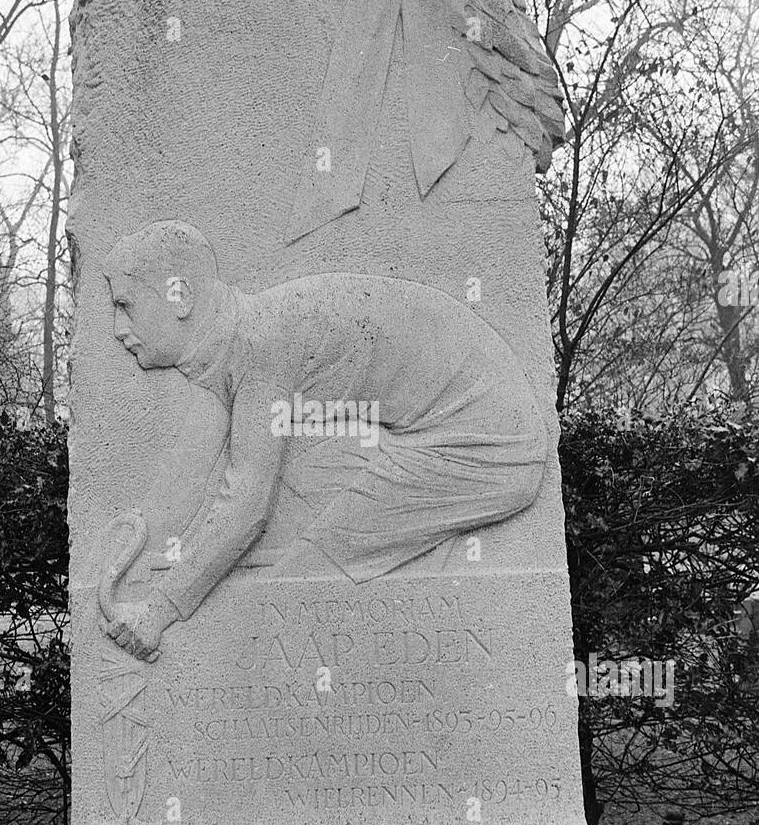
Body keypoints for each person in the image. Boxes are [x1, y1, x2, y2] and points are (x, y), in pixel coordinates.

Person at [102, 219, 547, 659]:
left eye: (126, 305)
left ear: (179, 296)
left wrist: (158, 611)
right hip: (443, 425)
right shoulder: (240, 339)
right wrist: (144, 539)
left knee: (292, 588)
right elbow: (194, 465)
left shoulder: (262, 350)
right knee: (304, 486)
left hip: (490, 447)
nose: (118, 328)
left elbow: (247, 505)